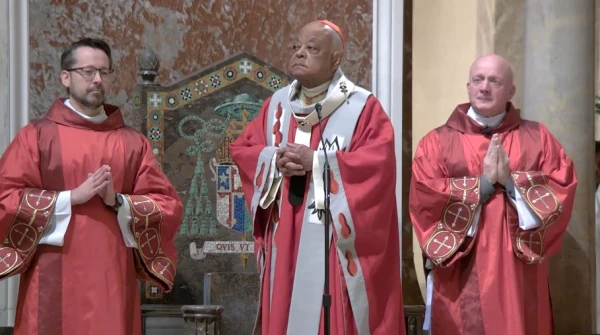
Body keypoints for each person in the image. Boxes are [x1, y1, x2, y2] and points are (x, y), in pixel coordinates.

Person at [230, 20, 405, 335]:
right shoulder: (276, 105)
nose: (299, 54)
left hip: (331, 242)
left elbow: (377, 166)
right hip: (285, 237)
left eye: (311, 49)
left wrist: (321, 163)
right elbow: (244, 149)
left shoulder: (362, 108)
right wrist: (273, 159)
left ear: (335, 59)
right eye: (296, 46)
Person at [0, 38, 183, 335]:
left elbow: (167, 204)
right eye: (87, 71)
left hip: (111, 277)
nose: (97, 79)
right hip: (52, 278)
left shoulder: (132, 143)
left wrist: (119, 202)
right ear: (65, 77)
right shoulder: (36, 137)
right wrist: (70, 198)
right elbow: (6, 198)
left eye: (104, 72)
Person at [409, 54, 577, 335]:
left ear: (510, 91)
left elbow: (562, 188)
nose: (484, 87)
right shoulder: (436, 142)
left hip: (519, 272)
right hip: (461, 271)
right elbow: (425, 197)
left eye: (494, 81)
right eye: (478, 79)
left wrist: (511, 183)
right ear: (468, 86)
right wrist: (484, 185)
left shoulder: (539, 137)